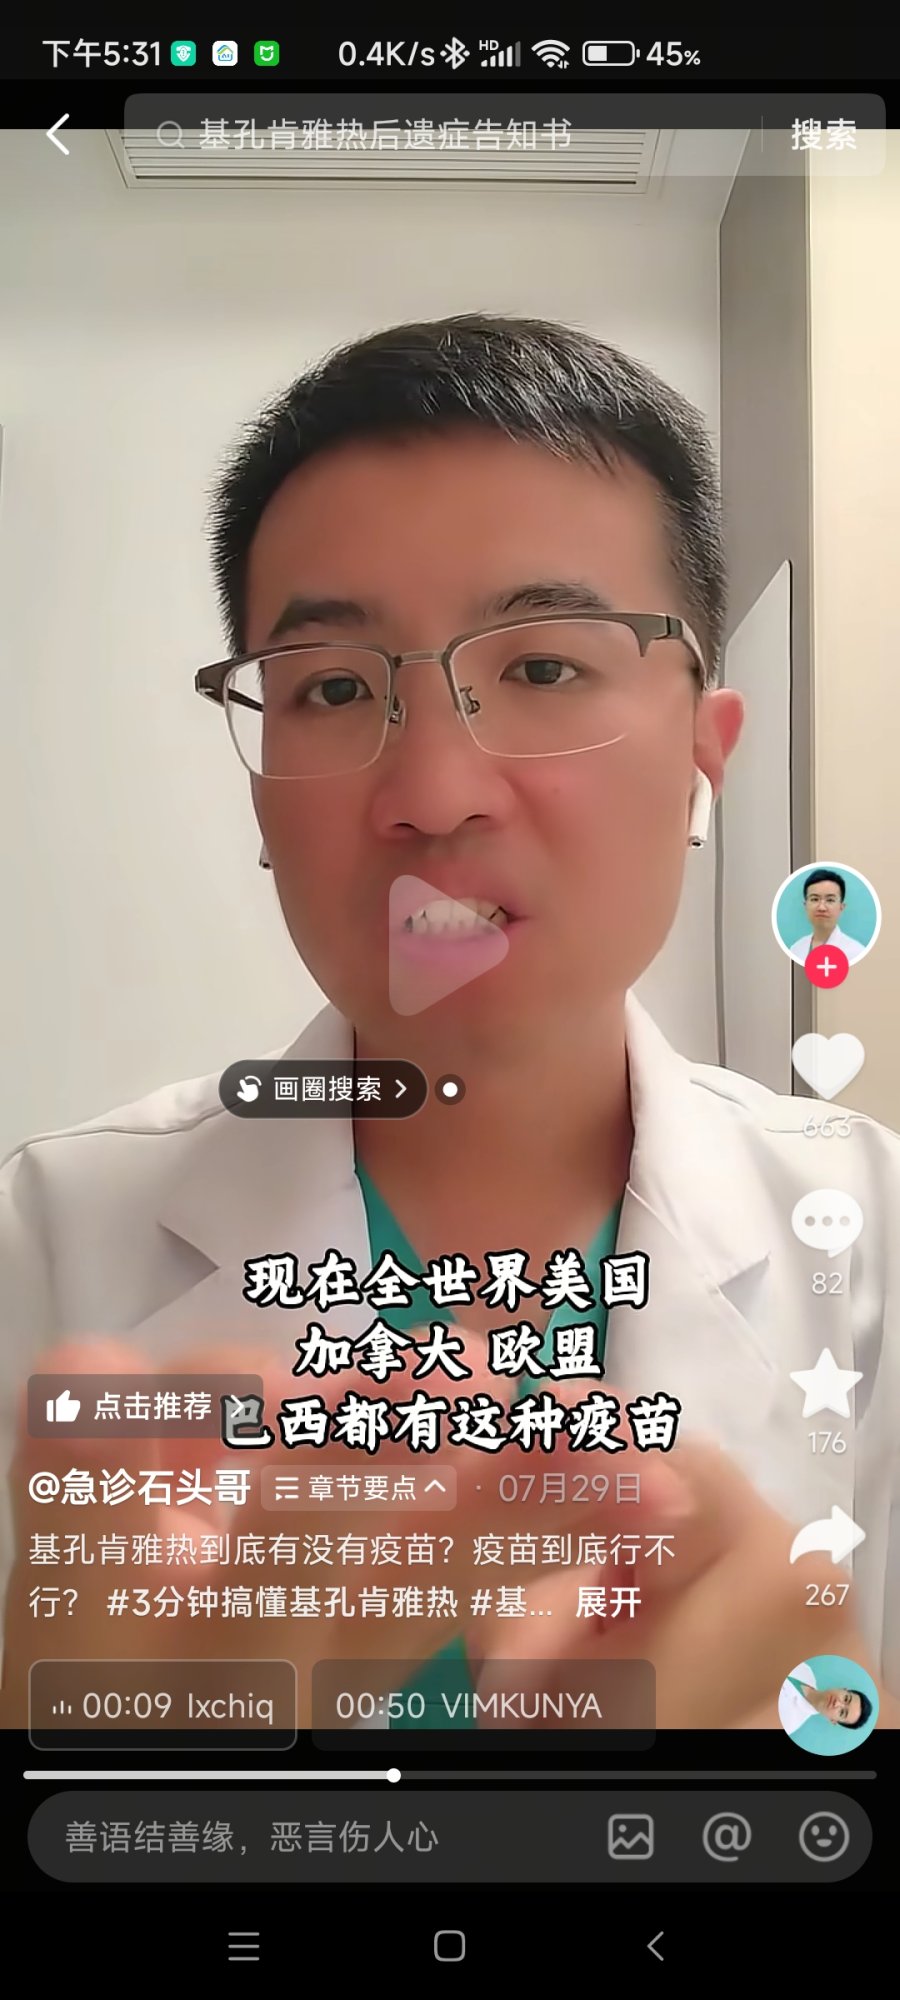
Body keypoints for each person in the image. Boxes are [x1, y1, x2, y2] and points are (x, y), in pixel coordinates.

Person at [2, 314, 899, 1730]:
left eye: (542, 670)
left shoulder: (874, 1242)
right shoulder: (41, 1246)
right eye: (334, 687)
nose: (431, 791)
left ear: (701, 755)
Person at [788, 869, 866, 965]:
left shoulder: (857, 953)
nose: (821, 907)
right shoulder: (795, 949)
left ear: (841, 907)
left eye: (830, 900)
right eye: (815, 899)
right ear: (805, 905)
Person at [779, 1663, 874, 1734]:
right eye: (846, 1699)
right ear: (843, 1689)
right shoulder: (806, 1671)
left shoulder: (787, 1724)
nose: (837, 1703)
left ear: (833, 1720)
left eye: (842, 1712)